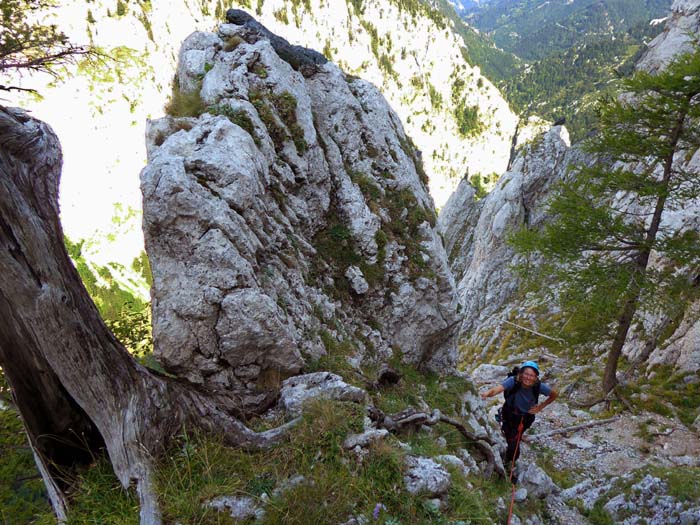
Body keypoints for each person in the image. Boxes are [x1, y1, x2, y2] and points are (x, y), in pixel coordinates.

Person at [480, 361, 558, 479]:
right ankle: (509, 463)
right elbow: (497, 389)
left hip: (526, 418)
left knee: (516, 436)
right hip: (509, 415)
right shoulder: (513, 381)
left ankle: (509, 456)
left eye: (531, 375)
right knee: (513, 444)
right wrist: (486, 394)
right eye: (526, 374)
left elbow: (554, 394)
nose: (528, 377)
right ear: (521, 374)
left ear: (535, 377)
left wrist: (540, 407)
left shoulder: (538, 386)